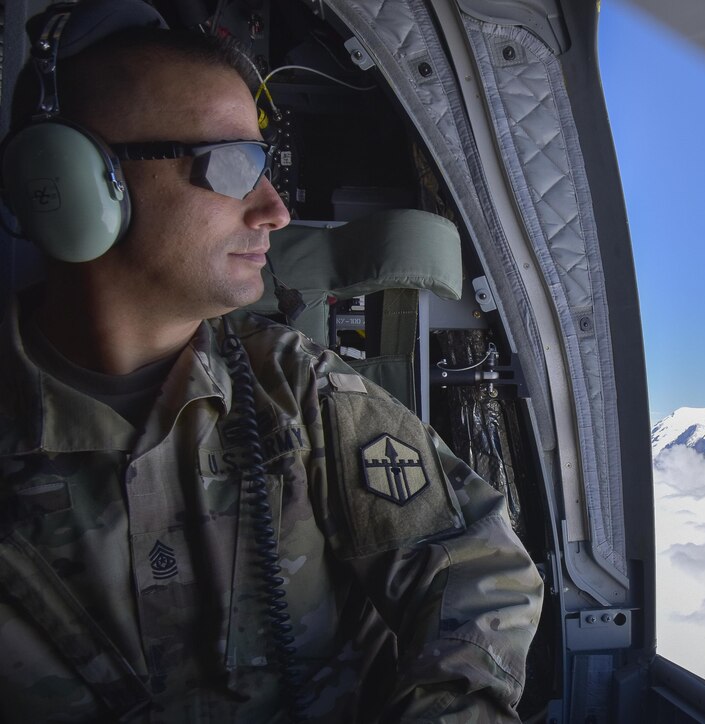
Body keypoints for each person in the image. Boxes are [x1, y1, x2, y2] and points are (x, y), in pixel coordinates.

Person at [0, 2, 543, 722]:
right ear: (70, 182)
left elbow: (477, 567)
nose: (275, 210)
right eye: (232, 166)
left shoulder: (296, 387)